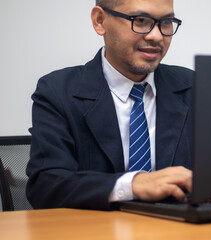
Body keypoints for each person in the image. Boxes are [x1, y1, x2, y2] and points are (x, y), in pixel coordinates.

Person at [26, 0, 193, 210]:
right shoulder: (58, 92)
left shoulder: (195, 88)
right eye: (140, 21)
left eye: (166, 22)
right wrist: (133, 185)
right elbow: (46, 186)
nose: (156, 36)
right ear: (100, 21)